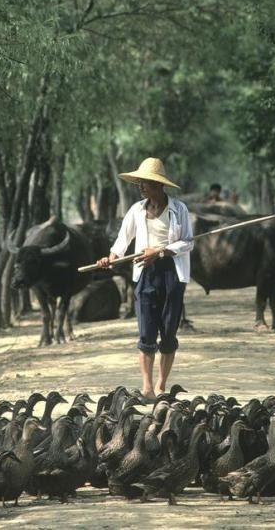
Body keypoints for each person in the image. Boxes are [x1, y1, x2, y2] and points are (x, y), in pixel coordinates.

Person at [97, 158, 194, 401]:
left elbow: (188, 242)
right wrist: (110, 258)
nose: (141, 186)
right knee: (146, 333)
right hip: (145, 275)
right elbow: (123, 239)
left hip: (172, 273)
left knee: (168, 333)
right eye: (139, 182)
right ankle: (147, 388)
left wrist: (160, 252)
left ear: (159, 185)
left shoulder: (178, 209)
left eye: (145, 182)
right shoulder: (137, 210)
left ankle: (161, 385)